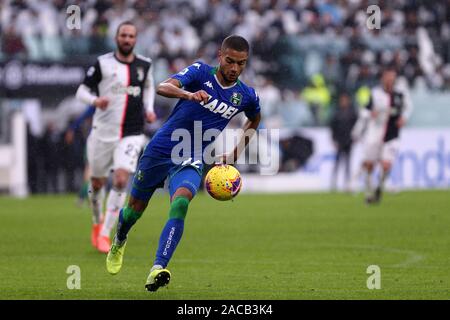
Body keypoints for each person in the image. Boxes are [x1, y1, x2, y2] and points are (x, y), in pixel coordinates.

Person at [106, 35, 261, 292]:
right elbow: (162, 87)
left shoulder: (246, 95)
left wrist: (235, 152)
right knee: (134, 210)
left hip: (192, 155)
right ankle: (120, 239)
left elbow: (254, 119)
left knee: (180, 202)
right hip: (160, 149)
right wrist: (188, 95)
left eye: (241, 63)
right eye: (231, 61)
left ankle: (158, 267)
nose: (235, 68)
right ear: (220, 56)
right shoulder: (200, 72)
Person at [75, 21, 156, 253]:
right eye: (123, 35)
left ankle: (105, 233)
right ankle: (96, 221)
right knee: (97, 183)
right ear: (116, 38)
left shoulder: (144, 65)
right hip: (103, 133)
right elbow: (81, 90)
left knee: (121, 180)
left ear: (136, 39)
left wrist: (149, 108)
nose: (127, 39)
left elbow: (149, 87)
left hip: (132, 132)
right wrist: (95, 101)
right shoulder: (103, 63)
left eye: (131, 36)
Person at [352, 65, 412, 204]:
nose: (390, 79)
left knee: (386, 165)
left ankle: (379, 188)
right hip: (374, 134)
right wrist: (370, 114)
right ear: (383, 78)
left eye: (392, 76)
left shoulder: (400, 94)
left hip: (392, 134)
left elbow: (408, 108)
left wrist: (404, 117)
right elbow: (364, 111)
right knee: (369, 165)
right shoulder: (375, 94)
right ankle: (368, 191)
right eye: (388, 76)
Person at [329, 92, 357, 191]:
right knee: (337, 163)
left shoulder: (352, 113)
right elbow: (332, 127)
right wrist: (333, 139)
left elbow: (356, 127)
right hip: (339, 141)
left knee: (348, 164)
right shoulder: (337, 113)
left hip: (348, 141)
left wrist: (355, 137)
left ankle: (347, 183)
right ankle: (334, 183)